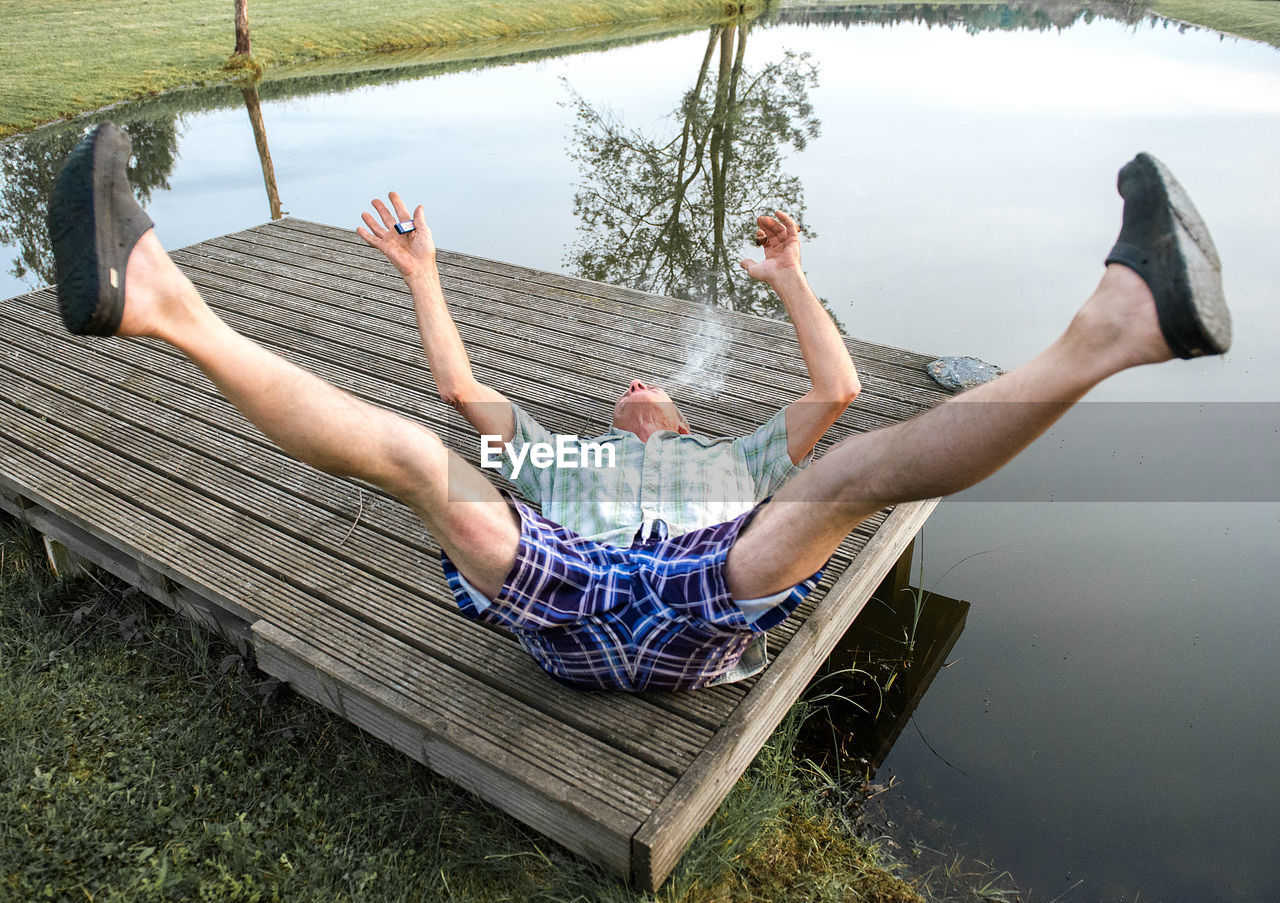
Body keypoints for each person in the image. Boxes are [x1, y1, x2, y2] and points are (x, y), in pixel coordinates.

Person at [46, 122, 1231, 692]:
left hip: (709, 598)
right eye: (623, 387)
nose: (632, 386)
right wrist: (423, 277)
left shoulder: (736, 460)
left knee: (840, 472)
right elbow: (461, 390)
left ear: (669, 408)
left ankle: (1117, 330)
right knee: (419, 450)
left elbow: (838, 391)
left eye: (645, 384)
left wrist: (786, 279)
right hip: (558, 590)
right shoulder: (556, 459)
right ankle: (156, 302)